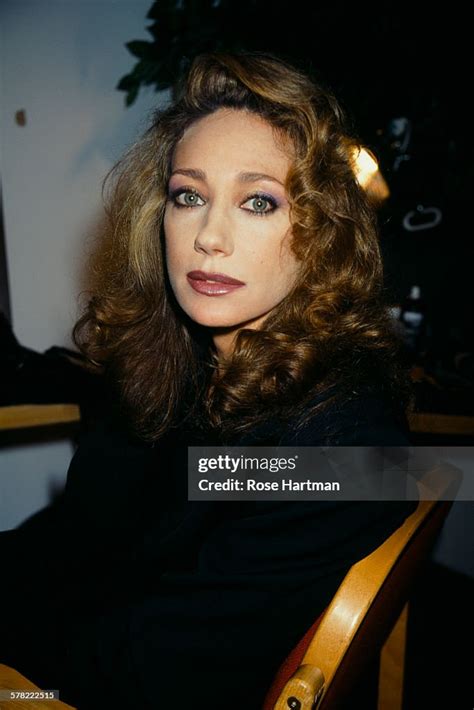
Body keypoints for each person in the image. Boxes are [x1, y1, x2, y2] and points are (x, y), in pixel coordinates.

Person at [0, 51, 417, 709]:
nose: (209, 237)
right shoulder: (182, 360)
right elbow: (82, 535)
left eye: (259, 200)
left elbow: (150, 669)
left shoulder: (339, 446)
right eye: (188, 195)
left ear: (323, 232)